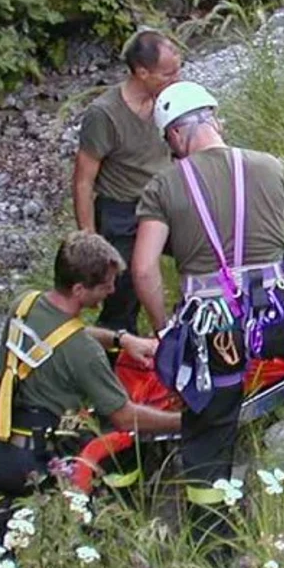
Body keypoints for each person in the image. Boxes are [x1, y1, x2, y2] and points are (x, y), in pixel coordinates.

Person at [131, 81, 284, 557]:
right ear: (215, 119)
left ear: (173, 136)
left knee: (210, 427)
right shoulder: (272, 166)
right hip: (280, 303)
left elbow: (144, 269)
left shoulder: (164, 187)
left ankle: (214, 546)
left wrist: (163, 328)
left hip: (215, 326)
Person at [0, 231, 181, 554]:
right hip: (35, 465)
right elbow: (125, 417)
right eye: (106, 285)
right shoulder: (85, 355)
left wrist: (122, 340)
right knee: (45, 554)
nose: (112, 290)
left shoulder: (24, 304)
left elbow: (64, 332)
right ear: (80, 289)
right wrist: (185, 422)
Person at [72, 29, 181, 338]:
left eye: (178, 70)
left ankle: (192, 329)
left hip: (166, 199)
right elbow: (83, 180)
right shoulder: (104, 114)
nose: (176, 79)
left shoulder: (170, 100)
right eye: (167, 74)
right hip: (121, 209)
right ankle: (117, 354)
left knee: (205, 252)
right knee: (122, 293)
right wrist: (89, 239)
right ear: (142, 72)